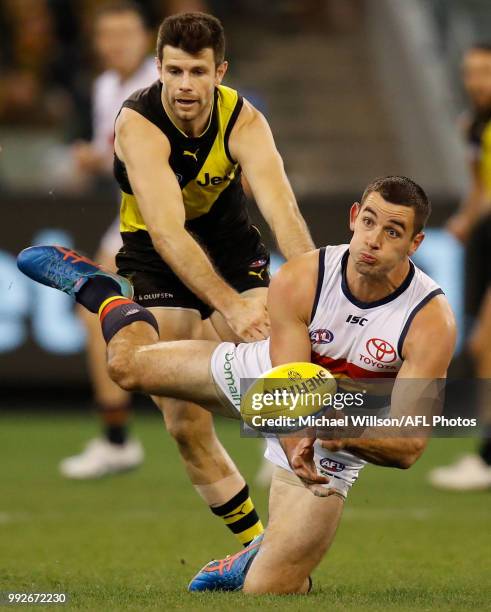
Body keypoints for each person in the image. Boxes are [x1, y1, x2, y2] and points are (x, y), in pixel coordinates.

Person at [18, 175, 457, 593]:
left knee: (269, 589)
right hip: (265, 380)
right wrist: (299, 430)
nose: (374, 239)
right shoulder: (305, 275)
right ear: (353, 216)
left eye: (394, 231)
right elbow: (285, 385)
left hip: (335, 438)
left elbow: (410, 444)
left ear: (416, 243)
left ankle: (253, 557)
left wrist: (337, 433)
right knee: (127, 366)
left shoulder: (429, 318)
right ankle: (103, 290)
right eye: (369, 222)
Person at [73, 10, 315, 547]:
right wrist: (231, 306)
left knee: (281, 359)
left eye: (198, 72)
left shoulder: (244, 119)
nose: (186, 85)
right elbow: (168, 233)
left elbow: (282, 212)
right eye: (176, 71)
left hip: (229, 243)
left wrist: (313, 295)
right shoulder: (137, 123)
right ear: (158, 68)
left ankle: (274, 491)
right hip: (156, 252)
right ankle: (254, 547)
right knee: (183, 420)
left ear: (220, 71)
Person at [59, 2, 157, 479]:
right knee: (94, 310)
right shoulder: (104, 87)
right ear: (98, 44)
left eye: (126, 33)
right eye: (108, 35)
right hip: (131, 218)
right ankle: (116, 438)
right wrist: (93, 159)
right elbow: (115, 153)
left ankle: (288, 434)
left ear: (146, 38)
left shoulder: (162, 84)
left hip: (178, 219)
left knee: (221, 329)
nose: (117, 43)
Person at [431, 44, 491, 490]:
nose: (476, 81)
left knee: (486, 341)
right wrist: (466, 219)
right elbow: (480, 185)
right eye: (470, 72)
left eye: (485, 72)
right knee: (483, 343)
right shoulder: (472, 125)